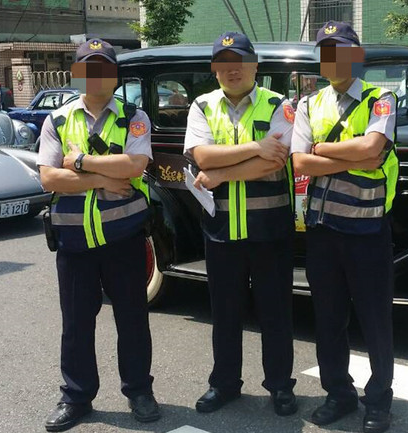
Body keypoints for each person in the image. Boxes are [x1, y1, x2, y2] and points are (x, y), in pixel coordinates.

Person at [37, 38, 160, 431]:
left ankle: (139, 391)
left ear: (114, 73)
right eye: (88, 68)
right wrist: (104, 177)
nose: (97, 75)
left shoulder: (133, 116)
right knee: (76, 324)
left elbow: (136, 167)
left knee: (133, 319)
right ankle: (76, 397)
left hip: (123, 238)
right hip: (73, 242)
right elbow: (49, 177)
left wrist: (82, 164)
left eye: (104, 67)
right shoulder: (57, 119)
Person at [291, 21, 399, 433]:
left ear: (356, 55)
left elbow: (374, 150)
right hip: (323, 229)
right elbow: (300, 162)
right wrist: (343, 155)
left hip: (369, 228)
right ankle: (339, 393)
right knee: (329, 317)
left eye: (342, 50)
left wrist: (321, 149)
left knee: (375, 319)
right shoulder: (307, 103)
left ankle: (379, 401)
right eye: (326, 51)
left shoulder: (381, 98)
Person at [183, 31, 298, 417]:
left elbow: (276, 161)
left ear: (255, 65)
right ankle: (225, 384)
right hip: (221, 231)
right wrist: (254, 147)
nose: (232, 69)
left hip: (270, 230)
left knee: (276, 312)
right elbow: (202, 155)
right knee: (225, 314)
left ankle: (281, 386)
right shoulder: (201, 106)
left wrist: (221, 174)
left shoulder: (278, 105)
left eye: (240, 61)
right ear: (215, 68)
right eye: (223, 62)